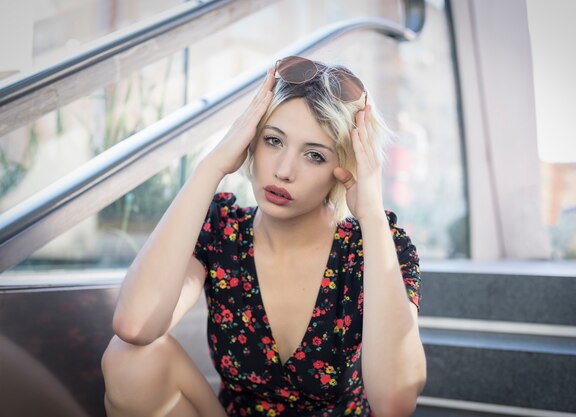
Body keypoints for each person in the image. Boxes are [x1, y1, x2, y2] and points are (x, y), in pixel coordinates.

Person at [101, 56, 426, 417]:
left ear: (343, 168)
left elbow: (396, 403)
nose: (284, 171)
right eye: (273, 140)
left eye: (315, 156)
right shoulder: (223, 232)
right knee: (128, 361)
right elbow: (134, 326)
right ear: (251, 140)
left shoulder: (376, 247)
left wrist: (372, 217)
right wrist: (212, 166)